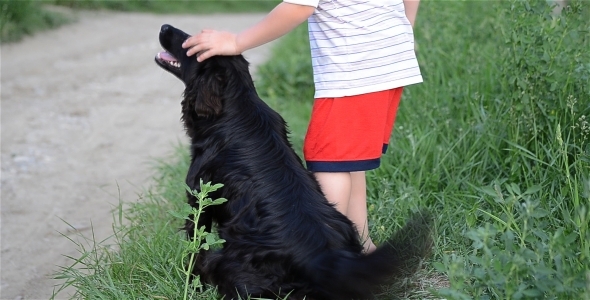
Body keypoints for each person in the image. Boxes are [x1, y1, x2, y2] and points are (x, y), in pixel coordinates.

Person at [183, 0, 422, 253]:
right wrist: (406, 27)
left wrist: (236, 42)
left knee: (328, 159)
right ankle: (360, 244)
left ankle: (329, 253)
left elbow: (299, 6)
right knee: (348, 159)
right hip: (389, 57)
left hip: (355, 70)